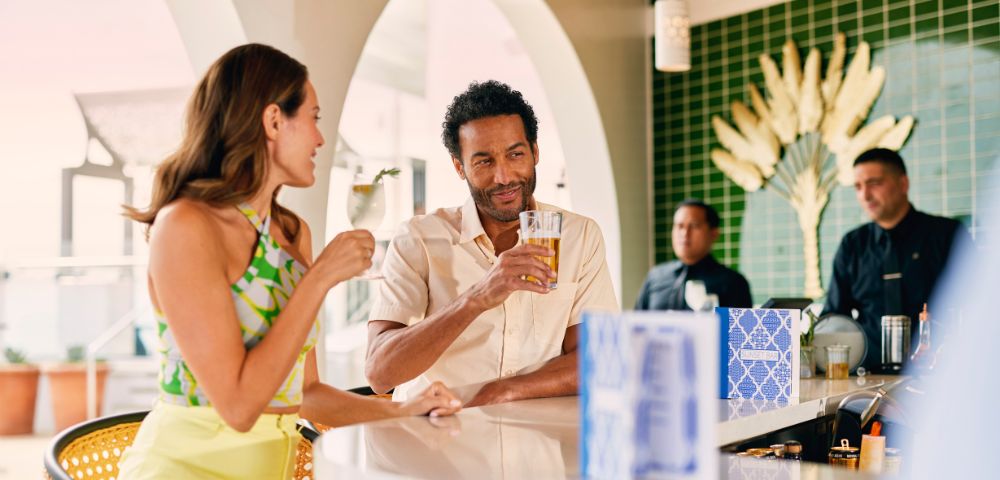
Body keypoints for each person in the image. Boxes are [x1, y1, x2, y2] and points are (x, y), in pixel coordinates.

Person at [117, 44, 460, 479]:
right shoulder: (186, 226)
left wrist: (406, 412)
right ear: (274, 120)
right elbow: (240, 407)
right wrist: (318, 280)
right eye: (314, 118)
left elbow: (308, 392)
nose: (320, 138)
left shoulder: (292, 233)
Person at [365, 80, 619, 407]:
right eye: (484, 161)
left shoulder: (578, 236)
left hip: (532, 440)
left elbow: (596, 360)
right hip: (433, 441)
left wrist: (500, 392)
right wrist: (479, 297)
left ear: (535, 152)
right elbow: (380, 374)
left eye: (515, 154)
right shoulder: (418, 239)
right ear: (460, 167)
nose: (504, 177)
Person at [823, 148, 971, 371]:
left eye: (874, 183)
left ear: (903, 184)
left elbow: (974, 304)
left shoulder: (947, 235)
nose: (865, 195)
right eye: (858, 187)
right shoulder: (852, 244)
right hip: (866, 378)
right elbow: (834, 319)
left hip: (937, 377)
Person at [635, 199, 752, 311]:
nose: (685, 233)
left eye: (694, 226)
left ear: (714, 234)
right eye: (679, 226)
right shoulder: (655, 277)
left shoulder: (733, 283)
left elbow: (741, 331)